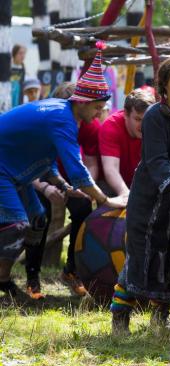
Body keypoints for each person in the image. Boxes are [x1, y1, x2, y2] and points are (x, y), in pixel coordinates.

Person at [0, 42, 127, 298]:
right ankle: (2, 280)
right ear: (82, 101)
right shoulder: (62, 118)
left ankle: (12, 279)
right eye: (97, 107)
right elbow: (77, 169)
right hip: (3, 169)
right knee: (17, 225)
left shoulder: (64, 116)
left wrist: (66, 188)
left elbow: (46, 165)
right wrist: (104, 200)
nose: (100, 113)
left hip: (14, 172)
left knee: (37, 221)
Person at [110, 56, 170, 334]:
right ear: (164, 85)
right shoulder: (155, 116)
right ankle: (120, 317)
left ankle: (161, 318)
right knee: (142, 256)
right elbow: (156, 159)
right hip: (149, 197)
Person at [22, 82, 101, 299]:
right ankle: (32, 277)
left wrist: (83, 187)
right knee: (40, 217)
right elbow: (28, 165)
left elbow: (92, 163)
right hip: (40, 177)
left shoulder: (90, 125)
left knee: (84, 208)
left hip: (73, 179)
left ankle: (71, 271)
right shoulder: (43, 123)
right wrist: (46, 187)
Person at [99, 89, 155, 196]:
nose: (143, 125)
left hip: (139, 181)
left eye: (146, 119)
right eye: (138, 119)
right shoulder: (111, 126)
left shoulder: (154, 124)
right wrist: (126, 195)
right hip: (111, 184)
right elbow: (111, 169)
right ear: (126, 114)